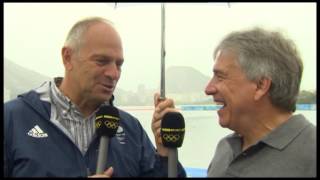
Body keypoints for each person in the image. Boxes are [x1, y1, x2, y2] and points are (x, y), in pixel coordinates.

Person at [4, 17, 186, 177]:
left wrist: (164, 155)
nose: (114, 73)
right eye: (102, 61)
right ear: (68, 58)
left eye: (119, 64)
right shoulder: (12, 119)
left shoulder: (131, 129)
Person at [204, 27, 316, 177]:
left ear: (260, 85)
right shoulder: (225, 149)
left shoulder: (311, 154)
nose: (208, 89)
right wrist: (167, 155)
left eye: (220, 76)